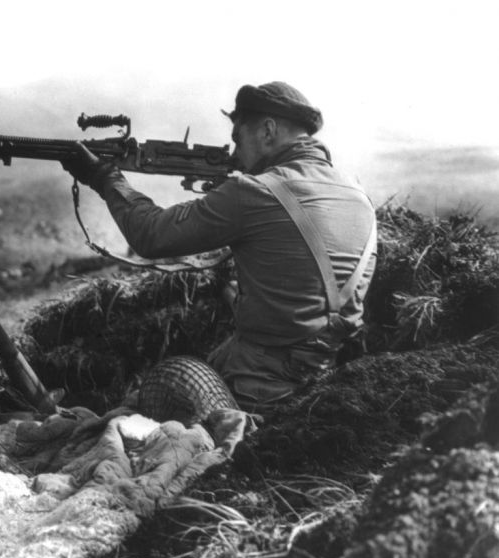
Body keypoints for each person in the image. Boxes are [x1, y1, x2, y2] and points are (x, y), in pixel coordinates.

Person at [62, 81, 377, 413]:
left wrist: (105, 178)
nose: (236, 155)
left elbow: (150, 235)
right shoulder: (358, 194)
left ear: (268, 131)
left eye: (238, 139)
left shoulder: (255, 192)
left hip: (260, 387)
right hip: (330, 375)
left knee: (135, 409)